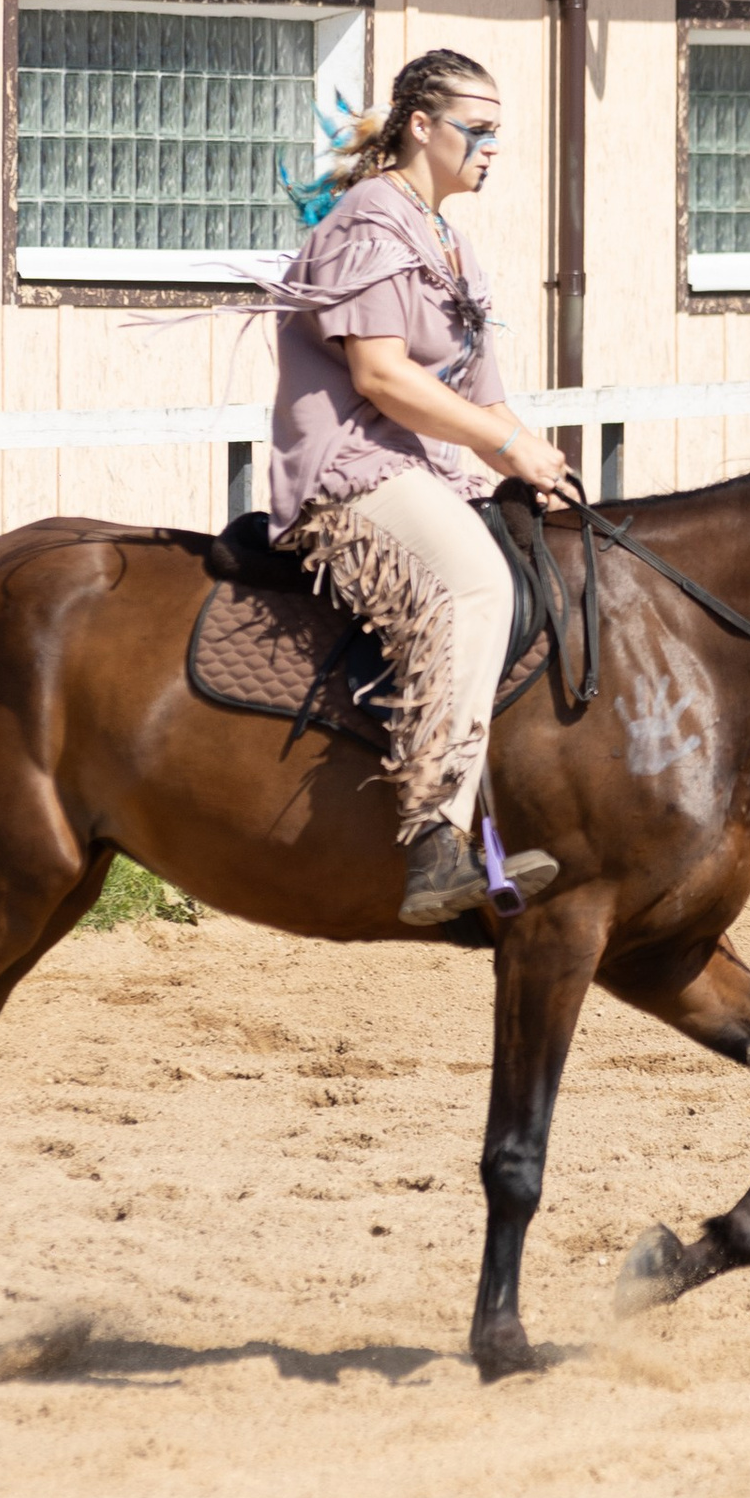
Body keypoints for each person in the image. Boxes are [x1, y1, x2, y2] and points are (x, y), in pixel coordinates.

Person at [267, 47, 577, 927]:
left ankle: (507, 812)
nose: (490, 147)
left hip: (429, 468)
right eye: (475, 130)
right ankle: (434, 839)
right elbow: (384, 378)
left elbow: (486, 396)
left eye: (496, 133)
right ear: (421, 126)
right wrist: (506, 445)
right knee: (473, 583)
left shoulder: (449, 240)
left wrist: (541, 461)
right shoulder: (372, 226)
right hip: (350, 471)